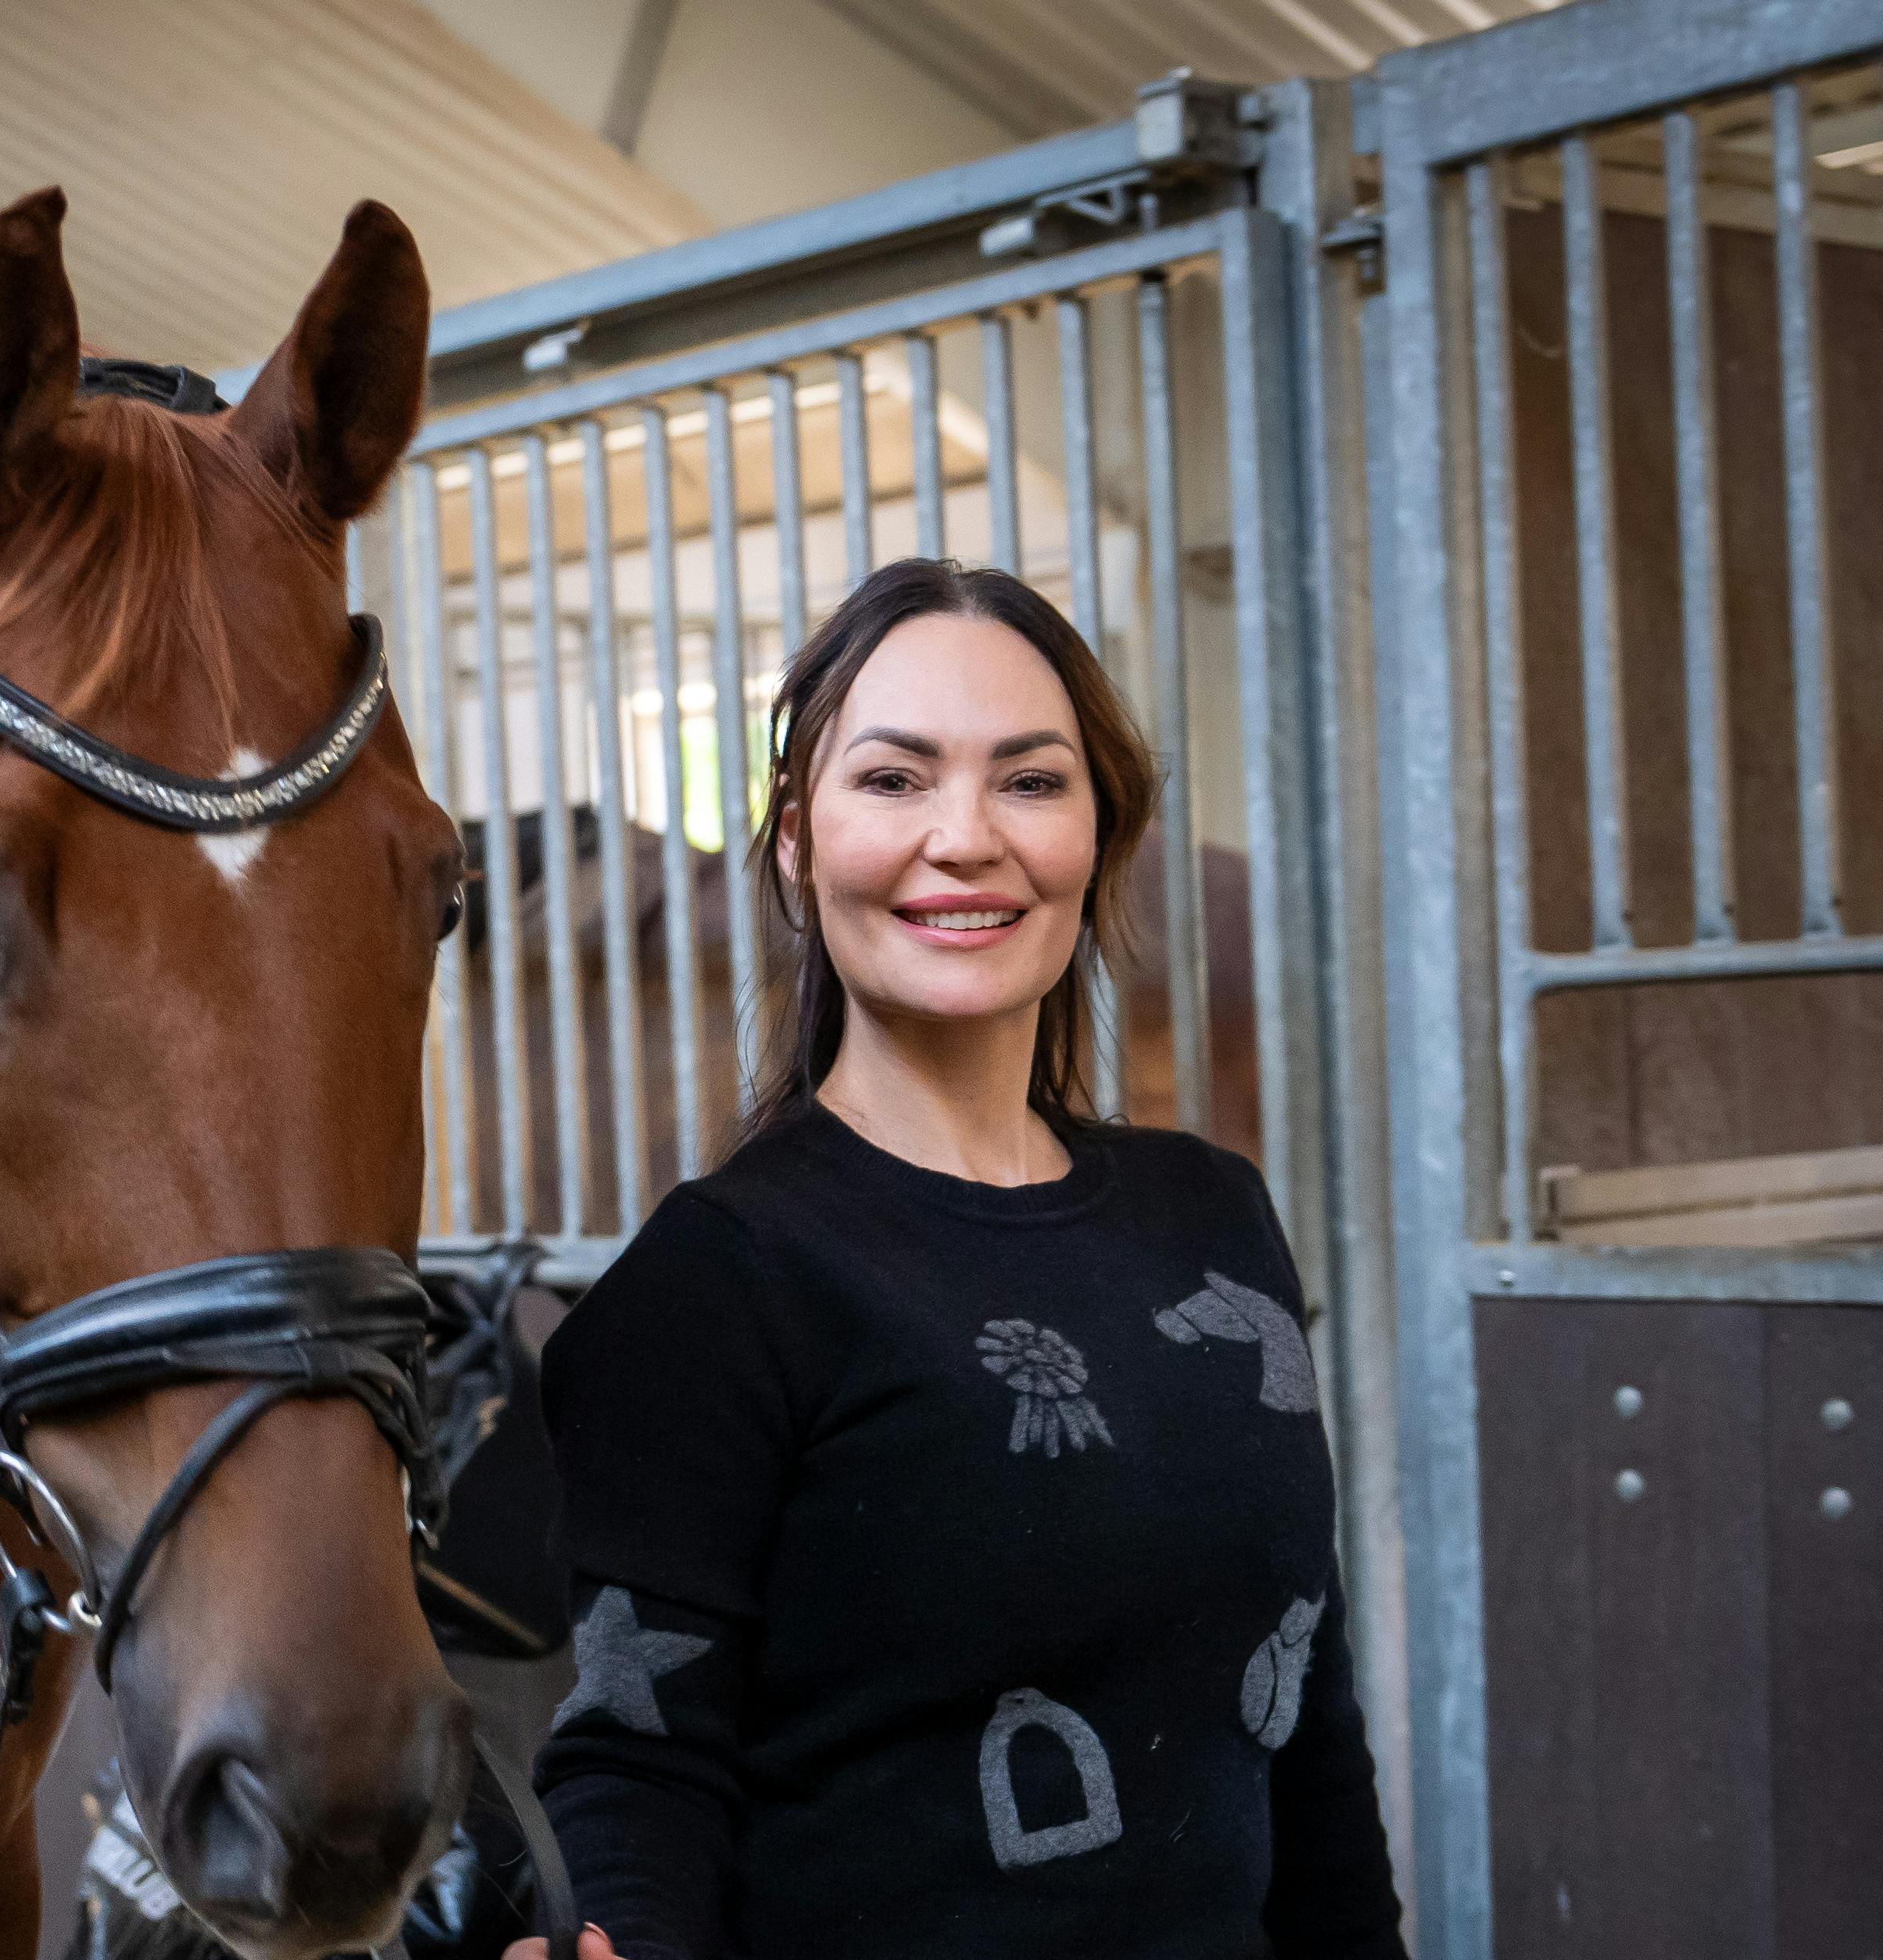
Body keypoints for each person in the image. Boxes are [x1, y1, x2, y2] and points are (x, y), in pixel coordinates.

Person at [507, 560, 1406, 1960]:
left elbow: (1304, 1725)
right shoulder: (717, 1279)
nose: (965, 837)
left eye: (1029, 781)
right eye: (893, 779)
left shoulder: (1213, 1218)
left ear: (1098, 833)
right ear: (797, 844)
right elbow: (641, 1750)